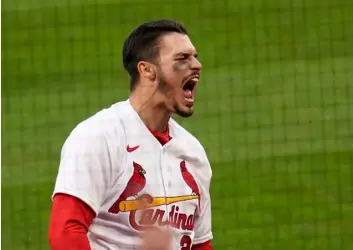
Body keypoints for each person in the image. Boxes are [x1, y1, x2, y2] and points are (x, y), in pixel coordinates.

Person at [48, 19, 213, 250]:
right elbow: (65, 232)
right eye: (182, 59)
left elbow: (200, 244)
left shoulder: (192, 153)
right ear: (147, 70)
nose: (197, 65)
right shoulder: (98, 137)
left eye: (195, 56)